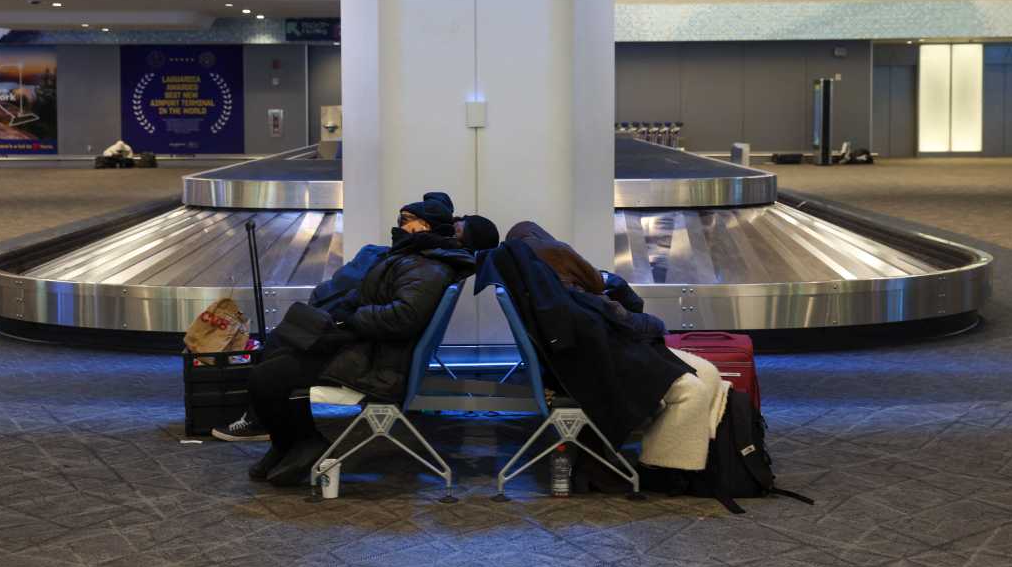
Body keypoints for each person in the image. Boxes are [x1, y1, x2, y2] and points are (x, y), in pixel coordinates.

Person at [241, 194, 479, 485]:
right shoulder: (416, 258)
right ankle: (287, 444)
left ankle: (302, 442)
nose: (399, 225)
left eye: (406, 220)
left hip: (377, 365)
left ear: (424, 227)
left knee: (266, 377)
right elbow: (372, 295)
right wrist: (340, 313)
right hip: (368, 351)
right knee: (279, 350)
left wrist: (351, 318)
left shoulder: (427, 266)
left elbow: (403, 317)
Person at [501, 221, 729, 481]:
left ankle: (693, 460)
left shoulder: (543, 292)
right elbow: (610, 299)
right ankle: (659, 470)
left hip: (600, 355)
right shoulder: (562, 267)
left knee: (708, 373)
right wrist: (652, 327)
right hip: (608, 358)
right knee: (694, 391)